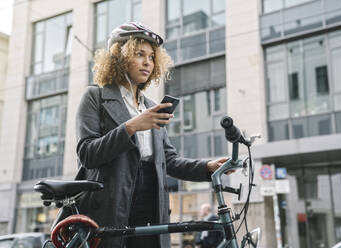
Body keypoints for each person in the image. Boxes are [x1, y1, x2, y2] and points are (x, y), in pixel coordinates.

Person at [75, 22, 228, 248]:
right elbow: (87, 154)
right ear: (119, 57)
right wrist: (130, 127)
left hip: (152, 201)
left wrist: (207, 167)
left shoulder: (151, 106)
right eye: (139, 54)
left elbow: (170, 161)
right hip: (110, 201)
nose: (148, 62)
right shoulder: (95, 97)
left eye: (151, 56)